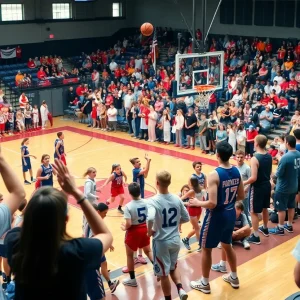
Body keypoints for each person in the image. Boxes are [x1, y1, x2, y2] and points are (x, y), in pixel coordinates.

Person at [4, 159, 113, 300]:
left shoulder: (15, 243)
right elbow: (106, 234)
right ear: (66, 220)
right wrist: (76, 193)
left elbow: (26, 219)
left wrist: (39, 201)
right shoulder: (77, 251)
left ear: (30, 214)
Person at [190, 141, 245, 294]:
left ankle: (205, 283)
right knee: (227, 244)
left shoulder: (214, 174)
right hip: (230, 212)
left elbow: (212, 203)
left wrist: (197, 202)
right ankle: (234, 277)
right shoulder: (236, 171)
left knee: (206, 249)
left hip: (216, 216)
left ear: (218, 155)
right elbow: (241, 195)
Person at [147, 170, 190, 300]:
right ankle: (180, 288)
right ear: (169, 183)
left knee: (164, 274)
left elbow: (149, 218)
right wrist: (176, 223)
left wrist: (149, 231)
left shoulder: (153, 201)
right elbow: (186, 218)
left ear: (157, 182)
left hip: (161, 241)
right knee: (173, 266)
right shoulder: (177, 199)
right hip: (175, 240)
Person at [83, 202, 119, 296]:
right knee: (97, 270)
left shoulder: (94, 220)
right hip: (94, 250)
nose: (105, 215)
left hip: (97, 248)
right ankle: (97, 286)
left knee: (104, 263)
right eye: (105, 213)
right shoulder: (94, 223)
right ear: (98, 212)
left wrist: (108, 244)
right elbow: (92, 237)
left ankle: (110, 284)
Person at [121, 182, 153, 287]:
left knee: (130, 256)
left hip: (134, 231)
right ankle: (158, 270)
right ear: (140, 191)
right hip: (145, 228)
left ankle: (132, 279)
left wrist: (123, 227)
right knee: (148, 251)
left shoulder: (128, 206)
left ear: (129, 193)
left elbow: (129, 224)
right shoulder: (146, 202)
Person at [244, 135, 272, 245]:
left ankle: (255, 236)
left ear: (256, 144)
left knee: (253, 211)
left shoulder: (255, 158)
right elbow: (269, 173)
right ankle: (265, 228)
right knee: (265, 208)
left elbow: (253, 178)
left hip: (258, 187)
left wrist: (244, 183)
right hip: (266, 185)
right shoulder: (269, 156)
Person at [269, 135, 300, 235]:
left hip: (283, 187)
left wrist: (272, 176)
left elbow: (278, 174)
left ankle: (280, 228)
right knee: (291, 206)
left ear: (287, 143)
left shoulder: (285, 157)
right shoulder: (298, 154)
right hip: (294, 185)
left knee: (281, 208)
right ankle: (289, 225)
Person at [211, 201, 251, 273]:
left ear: (240, 211)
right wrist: (231, 231)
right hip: (229, 234)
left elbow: (247, 226)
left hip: (237, 234)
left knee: (248, 230)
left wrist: (236, 232)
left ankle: (244, 240)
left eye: (236, 209)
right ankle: (227, 243)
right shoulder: (229, 215)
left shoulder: (242, 216)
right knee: (222, 231)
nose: (233, 210)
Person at [181, 177, 206, 252]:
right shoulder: (201, 188)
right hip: (199, 208)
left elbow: (181, 198)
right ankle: (188, 239)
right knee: (197, 227)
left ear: (191, 183)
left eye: (189, 182)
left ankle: (199, 244)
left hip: (193, 210)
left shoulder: (192, 191)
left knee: (196, 228)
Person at [235, 150, 251, 225]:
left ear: (244, 157)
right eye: (238, 157)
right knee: (237, 210)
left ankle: (248, 226)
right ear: (235, 157)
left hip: (245, 194)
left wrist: (246, 190)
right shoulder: (234, 168)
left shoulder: (247, 168)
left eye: (241, 157)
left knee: (244, 211)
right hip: (236, 194)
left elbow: (251, 181)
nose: (239, 159)